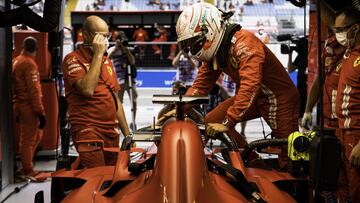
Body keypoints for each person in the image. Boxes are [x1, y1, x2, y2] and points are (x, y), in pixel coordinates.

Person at [160, 3, 299, 167]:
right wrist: (180, 109)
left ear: (209, 29)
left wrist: (228, 122)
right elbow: (200, 86)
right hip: (255, 96)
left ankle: (291, 187)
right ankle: (253, 162)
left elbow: (250, 85)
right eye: (188, 44)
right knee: (210, 121)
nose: (192, 49)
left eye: (193, 42)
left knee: (289, 155)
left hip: (278, 98)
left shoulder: (245, 43)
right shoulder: (217, 51)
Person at [62, 15, 131, 168]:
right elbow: (87, 90)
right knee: (97, 180)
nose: (105, 40)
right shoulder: (72, 59)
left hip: (111, 134)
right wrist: (98, 54)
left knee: (113, 181)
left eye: (107, 36)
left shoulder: (107, 62)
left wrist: (128, 135)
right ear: (86, 35)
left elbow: (115, 100)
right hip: (89, 132)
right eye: (101, 36)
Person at [334, 8, 360, 203]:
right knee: (344, 189)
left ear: (355, 29)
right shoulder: (349, 53)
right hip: (342, 132)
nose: (337, 35)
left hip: (356, 135)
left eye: (340, 29)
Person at [13, 36, 46, 179]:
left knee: (36, 135)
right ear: (37, 50)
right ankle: (27, 170)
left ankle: (26, 165)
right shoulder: (29, 64)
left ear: (23, 47)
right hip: (29, 107)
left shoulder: (15, 61)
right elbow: (34, 91)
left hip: (18, 105)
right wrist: (41, 113)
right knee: (28, 139)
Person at [301, 31, 345, 130]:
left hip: (345, 122)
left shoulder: (352, 57)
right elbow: (318, 82)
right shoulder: (327, 55)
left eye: (337, 48)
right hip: (327, 120)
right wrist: (307, 111)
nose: (332, 51)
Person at [108, 31, 138, 130]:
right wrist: (116, 47)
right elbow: (107, 59)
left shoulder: (129, 49)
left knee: (134, 101)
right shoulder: (112, 49)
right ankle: (117, 122)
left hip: (129, 80)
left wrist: (126, 50)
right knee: (117, 103)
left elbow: (132, 61)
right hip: (117, 81)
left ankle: (133, 122)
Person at [287, 37, 308, 123]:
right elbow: (290, 69)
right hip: (301, 88)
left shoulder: (312, 56)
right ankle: (302, 130)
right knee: (300, 113)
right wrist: (290, 55)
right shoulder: (300, 57)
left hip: (308, 88)